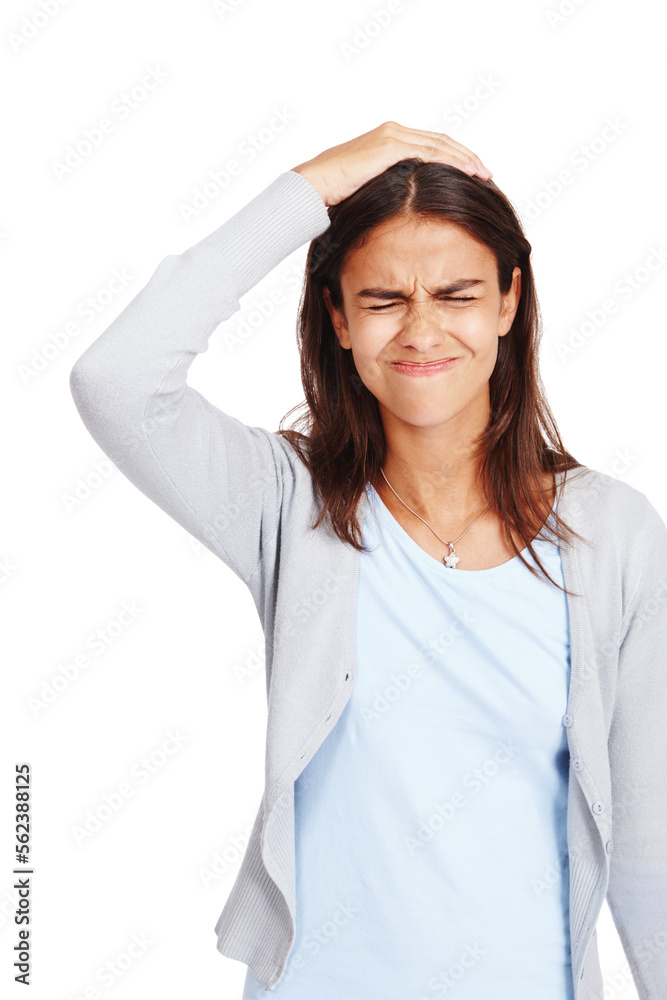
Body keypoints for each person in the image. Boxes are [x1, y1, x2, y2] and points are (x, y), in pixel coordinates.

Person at [69, 121, 667, 1000]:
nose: (421, 331)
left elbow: (647, 826)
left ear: (508, 304)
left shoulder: (608, 530)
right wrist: (309, 188)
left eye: (457, 295)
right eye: (383, 299)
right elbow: (116, 380)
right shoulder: (290, 502)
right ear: (338, 320)